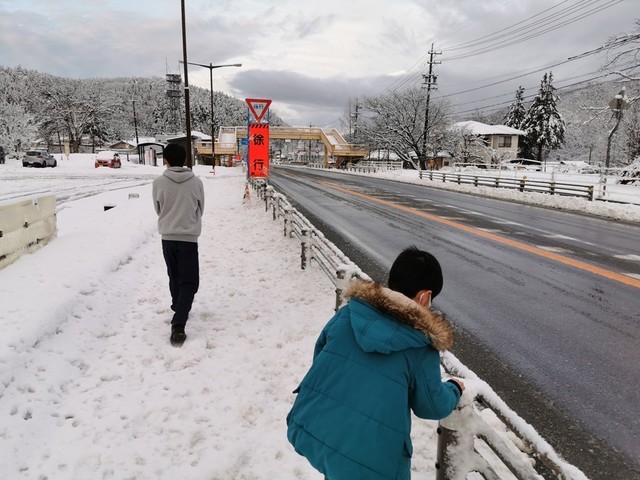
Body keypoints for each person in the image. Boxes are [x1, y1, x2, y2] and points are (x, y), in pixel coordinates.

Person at [287, 246, 465, 480]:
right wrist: (454, 388)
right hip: (373, 460)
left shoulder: (348, 314)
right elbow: (431, 405)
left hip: (319, 430)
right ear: (424, 296)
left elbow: (322, 357)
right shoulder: (420, 344)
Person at [152, 143, 205, 346]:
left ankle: (179, 307)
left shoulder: (158, 183)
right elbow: (201, 208)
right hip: (188, 238)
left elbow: (158, 208)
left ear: (165, 159)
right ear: (185, 159)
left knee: (174, 277)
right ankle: (179, 323)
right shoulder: (196, 182)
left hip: (167, 236)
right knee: (190, 282)